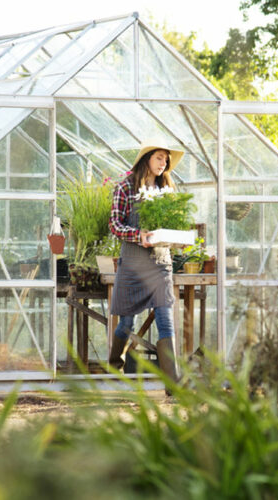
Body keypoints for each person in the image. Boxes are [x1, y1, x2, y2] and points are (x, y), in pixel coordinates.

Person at [108, 138, 184, 391]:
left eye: (166, 159)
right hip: (132, 264)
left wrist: (178, 239)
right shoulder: (126, 188)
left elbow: (175, 225)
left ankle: (173, 385)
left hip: (160, 263)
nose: (164, 163)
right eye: (159, 157)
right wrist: (137, 235)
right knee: (126, 323)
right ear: (147, 159)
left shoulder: (168, 190)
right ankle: (115, 361)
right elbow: (115, 224)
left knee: (165, 318)